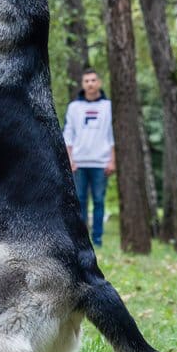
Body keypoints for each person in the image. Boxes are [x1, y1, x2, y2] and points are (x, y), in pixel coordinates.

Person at [63, 68, 116, 246]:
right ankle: (82, 240)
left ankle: (98, 239)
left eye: (93, 80)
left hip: (101, 163)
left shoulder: (108, 107)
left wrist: (112, 160)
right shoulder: (74, 107)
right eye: (87, 81)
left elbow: (112, 135)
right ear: (82, 84)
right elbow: (68, 135)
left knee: (99, 202)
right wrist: (69, 159)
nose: (90, 84)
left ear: (99, 83)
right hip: (79, 163)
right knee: (80, 201)